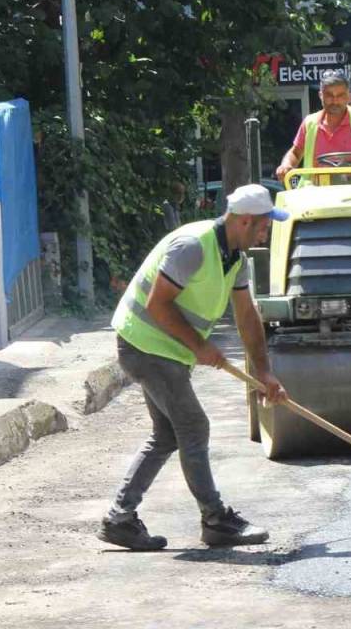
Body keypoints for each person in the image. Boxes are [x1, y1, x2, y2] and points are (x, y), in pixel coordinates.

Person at [98, 183, 290, 551]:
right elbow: (158, 304)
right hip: (144, 345)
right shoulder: (193, 246)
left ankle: (119, 519)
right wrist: (200, 346)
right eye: (264, 226)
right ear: (245, 221)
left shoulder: (235, 259)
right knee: (193, 426)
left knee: (168, 434)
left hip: (167, 350)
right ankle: (216, 520)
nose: (266, 234)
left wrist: (264, 372)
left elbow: (247, 315)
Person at [273, 71, 351, 185]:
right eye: (329, 95)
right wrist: (286, 165)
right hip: (319, 193)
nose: (335, 101)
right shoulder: (310, 123)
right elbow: (295, 153)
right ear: (321, 95)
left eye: (340, 95)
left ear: (348, 96)